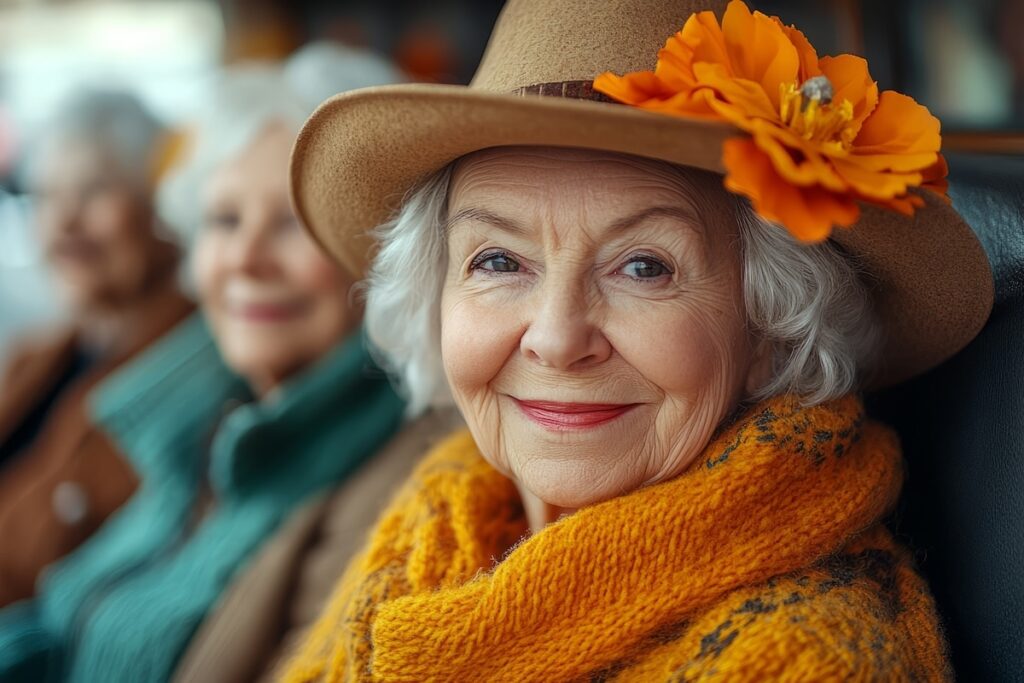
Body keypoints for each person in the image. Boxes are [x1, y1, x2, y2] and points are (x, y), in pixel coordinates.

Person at [280, 1, 994, 681]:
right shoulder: (435, 525)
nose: (558, 338)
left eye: (644, 266)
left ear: (772, 328)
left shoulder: (801, 659)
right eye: (498, 260)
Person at [0, 43, 455, 682]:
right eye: (224, 219)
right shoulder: (203, 421)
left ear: (389, 253)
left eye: (292, 223)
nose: (244, 258)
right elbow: (54, 623)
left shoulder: (411, 482)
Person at [0, 90, 192, 607]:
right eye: (45, 196)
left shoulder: (191, 374)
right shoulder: (31, 358)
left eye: (93, 190)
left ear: (163, 205)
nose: (63, 221)